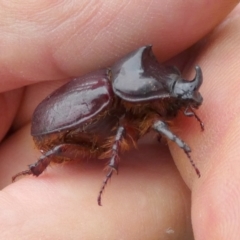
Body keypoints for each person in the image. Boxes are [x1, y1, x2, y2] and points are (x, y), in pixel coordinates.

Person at [0, 1, 239, 239]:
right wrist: (183, 145)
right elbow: (139, 126)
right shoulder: (110, 96)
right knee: (66, 147)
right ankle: (34, 170)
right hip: (52, 132)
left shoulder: (134, 96)